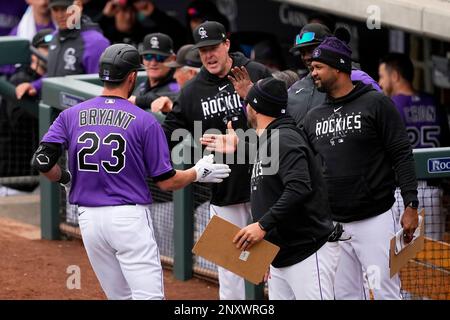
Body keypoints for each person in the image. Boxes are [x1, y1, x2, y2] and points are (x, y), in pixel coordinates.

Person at [31, 43, 231, 300]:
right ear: (132, 77)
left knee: (120, 298)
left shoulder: (70, 115)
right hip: (128, 219)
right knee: (148, 297)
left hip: (89, 221)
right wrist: (197, 172)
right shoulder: (144, 120)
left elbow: (42, 161)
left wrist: (66, 178)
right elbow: (166, 183)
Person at [301, 37, 419, 300]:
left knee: (385, 292)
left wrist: (411, 204)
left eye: (319, 67)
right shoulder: (314, 117)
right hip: (334, 224)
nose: (313, 73)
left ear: (339, 68)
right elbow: (301, 163)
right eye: (312, 68)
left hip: (375, 219)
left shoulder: (376, 104)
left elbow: (402, 154)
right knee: (344, 295)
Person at [202, 77, 339, 299]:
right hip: (281, 256)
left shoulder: (284, 138)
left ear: (254, 108)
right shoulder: (270, 139)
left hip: (306, 252)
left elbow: (299, 188)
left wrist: (263, 226)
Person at [163, 20, 271, 300]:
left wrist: (250, 110)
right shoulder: (192, 91)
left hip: (269, 184)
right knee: (230, 273)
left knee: (278, 269)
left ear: (227, 44)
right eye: (202, 51)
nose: (208, 55)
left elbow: (284, 120)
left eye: (213, 48)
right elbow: (169, 129)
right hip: (226, 191)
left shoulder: (256, 72)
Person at [379, 52, 450, 240]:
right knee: (433, 257)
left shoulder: (390, 105)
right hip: (434, 189)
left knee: (402, 260)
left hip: (403, 191)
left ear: (395, 76)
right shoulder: (434, 103)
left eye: (382, 76)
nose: (380, 83)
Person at [287, 23, 381, 126]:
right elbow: (272, 124)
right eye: (302, 53)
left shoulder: (357, 77)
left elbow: (386, 117)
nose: (306, 57)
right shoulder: (295, 89)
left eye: (311, 50)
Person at [15, 0, 110, 98]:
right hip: (53, 107)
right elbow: (56, 74)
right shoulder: (55, 36)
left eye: (65, 9)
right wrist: (35, 86)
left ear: (79, 6)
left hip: (79, 110)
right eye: (55, 9)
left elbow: (101, 88)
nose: (60, 15)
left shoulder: (95, 42)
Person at [0, 29, 53, 196]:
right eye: (46, 48)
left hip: (41, 179)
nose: (51, 53)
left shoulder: (53, 81)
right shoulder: (20, 79)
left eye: (54, 48)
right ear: (34, 55)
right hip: (14, 180)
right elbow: (18, 119)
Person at [128, 33, 179, 110]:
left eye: (160, 57)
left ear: (173, 59)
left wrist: (138, 101)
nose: (153, 63)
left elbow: (176, 100)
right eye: (148, 57)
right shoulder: (140, 88)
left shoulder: (180, 86)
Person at [151, 43, 202, 114]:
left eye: (177, 70)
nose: (174, 76)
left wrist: (175, 111)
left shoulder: (203, 99)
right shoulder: (190, 96)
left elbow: (198, 124)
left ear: (191, 73)